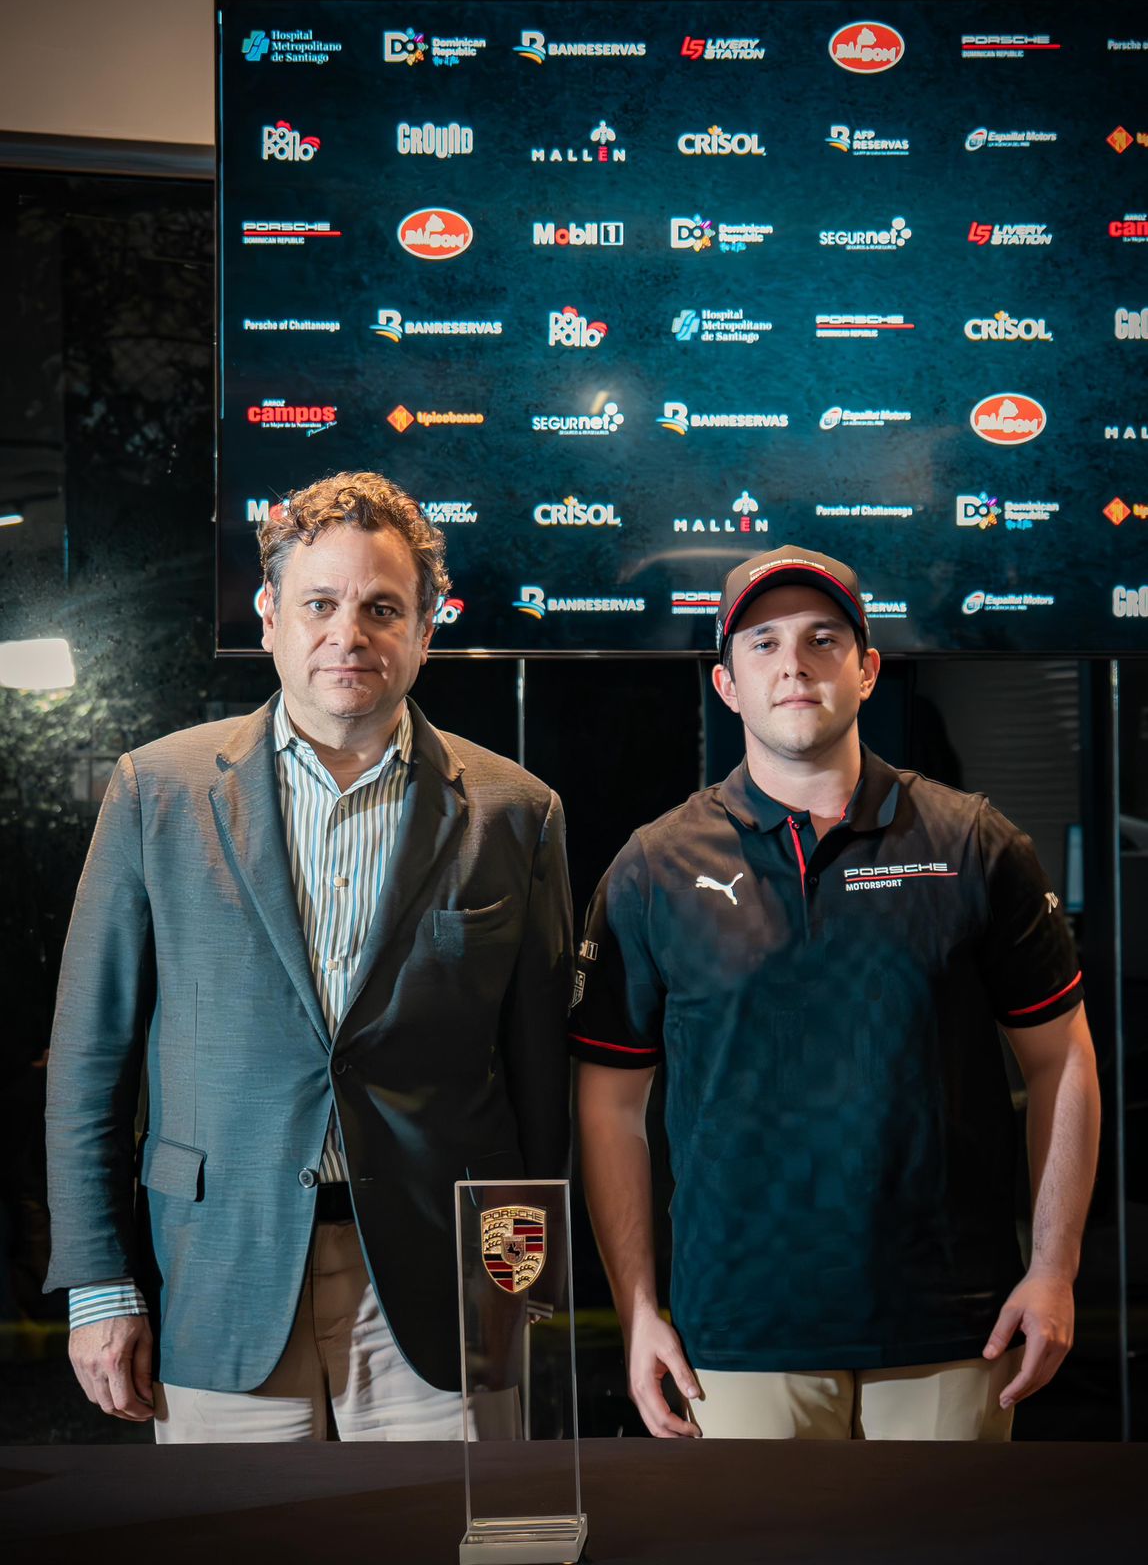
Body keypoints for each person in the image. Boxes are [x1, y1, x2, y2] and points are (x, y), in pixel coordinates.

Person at [45, 471, 572, 1441]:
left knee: (443, 1524)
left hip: (445, 1289)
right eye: (319, 603)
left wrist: (522, 1286)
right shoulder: (156, 792)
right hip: (218, 1268)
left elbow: (541, 1082)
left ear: (426, 628)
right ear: (269, 616)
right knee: (238, 1524)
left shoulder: (516, 813)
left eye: (383, 609)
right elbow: (90, 1061)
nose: (348, 634)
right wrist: (98, 1283)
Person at [573, 544, 1100, 1441]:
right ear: (727, 684)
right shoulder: (653, 867)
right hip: (734, 1336)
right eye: (764, 644)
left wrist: (1054, 1268)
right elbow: (610, 1103)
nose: (795, 664)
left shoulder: (974, 844)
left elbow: (1064, 1062)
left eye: (823, 639)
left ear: (868, 670)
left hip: (952, 1327)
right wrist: (638, 1309)